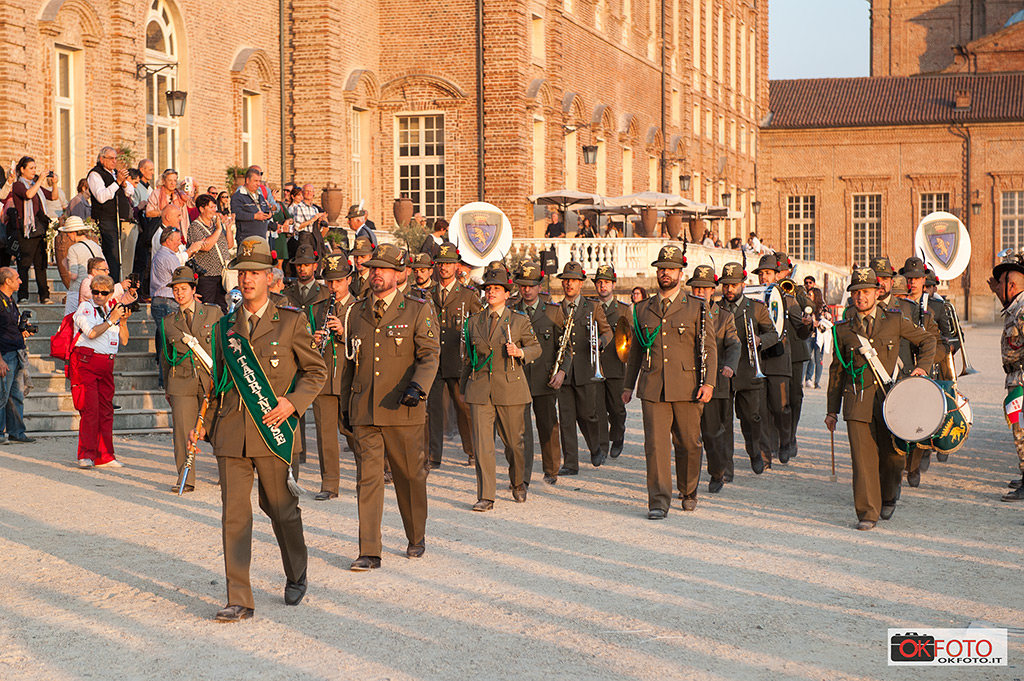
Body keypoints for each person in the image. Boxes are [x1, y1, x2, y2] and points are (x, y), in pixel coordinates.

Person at [189, 235, 325, 621]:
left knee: (280, 509)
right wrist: (203, 424)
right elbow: (216, 383)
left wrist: (292, 403)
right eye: (242, 272)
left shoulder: (291, 322)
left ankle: (296, 572)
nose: (247, 279)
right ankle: (239, 598)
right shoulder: (224, 327)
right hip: (232, 431)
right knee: (234, 514)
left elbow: (316, 371)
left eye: (255, 272)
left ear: (270, 277)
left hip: (274, 431)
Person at [339, 243, 439, 570]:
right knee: (368, 481)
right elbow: (350, 363)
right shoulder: (355, 311)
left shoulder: (418, 309)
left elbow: (429, 355)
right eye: (372, 268)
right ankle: (370, 550)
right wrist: (345, 404)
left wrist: (417, 387)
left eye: (383, 269)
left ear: (401, 274)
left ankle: (415, 535)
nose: (376, 274)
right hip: (365, 409)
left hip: (403, 409)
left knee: (410, 478)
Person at [825, 267, 936, 530]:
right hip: (856, 403)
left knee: (892, 457)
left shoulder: (894, 320)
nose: (860, 297)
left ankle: (888, 496)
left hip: (890, 402)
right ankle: (867, 513)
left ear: (877, 292)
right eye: (856, 293)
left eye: (865, 292)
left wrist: (922, 367)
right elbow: (836, 371)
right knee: (862, 461)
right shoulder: (843, 331)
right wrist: (832, 411)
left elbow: (928, 341)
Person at [622, 245, 717, 517]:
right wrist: (629, 385)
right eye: (661, 268)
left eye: (671, 269)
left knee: (688, 443)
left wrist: (708, 383)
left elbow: (709, 347)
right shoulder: (643, 309)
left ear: (680, 273)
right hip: (653, 386)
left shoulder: (697, 307)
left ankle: (688, 489)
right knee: (655, 446)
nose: (665, 273)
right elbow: (637, 350)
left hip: (688, 386)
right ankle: (658, 501)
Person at [461, 265, 541, 510]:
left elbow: (536, 348)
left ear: (507, 294)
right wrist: (464, 386)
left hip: (510, 388)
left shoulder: (518, 320)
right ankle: (486, 495)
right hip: (480, 388)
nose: (492, 292)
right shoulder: (473, 322)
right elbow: (468, 357)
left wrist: (519, 352)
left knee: (514, 443)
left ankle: (518, 482)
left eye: (497, 289)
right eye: (488, 289)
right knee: (483, 445)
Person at [159, 265, 223, 492]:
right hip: (181, 382)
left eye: (183, 288)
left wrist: (224, 378)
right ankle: (186, 477)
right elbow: (165, 357)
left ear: (193, 289)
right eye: (175, 289)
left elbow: (222, 347)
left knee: (218, 427)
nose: (179, 293)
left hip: (211, 379)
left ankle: (226, 472)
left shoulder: (214, 314)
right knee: (182, 431)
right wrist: (167, 386)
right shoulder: (168, 322)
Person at [508, 261, 568, 485]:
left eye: (531, 285)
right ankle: (521, 477)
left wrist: (562, 371)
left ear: (539, 286)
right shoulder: (511, 311)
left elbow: (566, 346)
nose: (527, 289)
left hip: (545, 379)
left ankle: (551, 469)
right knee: (519, 430)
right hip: (518, 379)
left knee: (548, 425)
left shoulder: (553, 312)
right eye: (523, 285)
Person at [718, 261, 777, 479]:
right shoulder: (716, 309)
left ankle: (755, 452)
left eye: (733, 284)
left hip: (749, 370)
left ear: (743, 284)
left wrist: (760, 339)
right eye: (725, 285)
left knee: (751, 418)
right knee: (724, 423)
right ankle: (725, 469)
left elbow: (774, 334)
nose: (729, 289)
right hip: (724, 373)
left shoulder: (757, 308)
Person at [552, 261, 612, 475]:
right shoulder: (555, 308)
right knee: (567, 418)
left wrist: (601, 342)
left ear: (580, 284)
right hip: (565, 373)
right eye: (566, 280)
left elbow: (607, 331)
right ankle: (570, 463)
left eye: (574, 280)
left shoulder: (592, 307)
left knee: (588, 415)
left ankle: (595, 446)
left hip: (587, 369)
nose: (569, 284)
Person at [426, 242, 481, 469]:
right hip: (433, 359)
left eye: (448, 263)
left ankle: (471, 450)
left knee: (464, 408)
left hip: (458, 360)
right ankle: (433, 455)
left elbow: (478, 325)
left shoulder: (468, 295)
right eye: (440, 264)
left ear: (456, 266)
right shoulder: (427, 294)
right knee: (434, 409)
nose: (444, 268)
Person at [688, 264, 740, 494]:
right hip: (686, 382)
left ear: (713, 290)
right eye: (696, 288)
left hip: (714, 383)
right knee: (687, 435)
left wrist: (729, 365)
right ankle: (688, 481)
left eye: (705, 288)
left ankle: (717, 471)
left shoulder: (724, 317)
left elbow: (734, 344)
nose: (700, 292)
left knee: (712, 433)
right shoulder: (681, 311)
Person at [309, 254, 357, 500]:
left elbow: (368, 345)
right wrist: (314, 341)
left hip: (350, 380)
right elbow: (305, 344)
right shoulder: (317, 309)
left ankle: (366, 478)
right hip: (324, 378)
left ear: (348, 279)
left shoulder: (360, 307)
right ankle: (329, 484)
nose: (334, 287)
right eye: (329, 282)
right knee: (325, 434)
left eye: (338, 281)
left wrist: (344, 332)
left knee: (354, 432)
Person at [72, 274, 132, 467]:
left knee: (106, 411)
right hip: (87, 362)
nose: (98, 295)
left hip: (107, 363)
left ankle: (105, 455)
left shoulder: (110, 309)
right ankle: (86, 454)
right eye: (95, 291)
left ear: (110, 294)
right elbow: (91, 333)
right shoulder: (86, 307)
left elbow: (124, 340)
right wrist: (112, 319)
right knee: (90, 410)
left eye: (103, 292)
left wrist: (120, 321)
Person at [282, 243, 330, 473]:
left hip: (318, 357)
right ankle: (295, 456)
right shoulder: (285, 294)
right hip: (291, 358)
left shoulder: (325, 294)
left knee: (325, 420)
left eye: (307, 264)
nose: (302, 269)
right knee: (293, 408)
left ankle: (328, 474)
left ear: (315, 266)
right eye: (299, 265)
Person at [988, 251, 1024, 501]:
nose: (997, 287)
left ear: (1011, 286)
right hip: (1016, 378)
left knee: (1022, 431)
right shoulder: (1016, 306)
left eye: (1000, 283)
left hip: (1022, 380)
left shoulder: (1022, 310)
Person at [592, 264, 627, 459]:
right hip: (595, 365)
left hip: (615, 364)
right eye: (599, 282)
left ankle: (618, 435)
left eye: (606, 282)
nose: (602, 286)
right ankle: (602, 448)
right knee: (598, 408)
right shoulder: (590, 307)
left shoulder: (623, 309)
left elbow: (630, 339)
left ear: (613, 285)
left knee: (616, 408)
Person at [10, 157, 55, 304]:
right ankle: (23, 296)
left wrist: (54, 184)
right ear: (22, 169)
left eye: (35, 168)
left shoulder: (36, 185)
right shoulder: (18, 185)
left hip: (39, 229)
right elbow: (28, 195)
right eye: (31, 168)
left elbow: (53, 197)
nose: (34, 171)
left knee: (41, 264)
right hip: (26, 230)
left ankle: (44, 296)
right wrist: (40, 180)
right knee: (24, 264)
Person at [88, 147, 134, 280]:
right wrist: (117, 182)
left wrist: (123, 183)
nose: (114, 161)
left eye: (116, 158)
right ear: (102, 159)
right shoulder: (95, 174)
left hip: (120, 219)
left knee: (123, 255)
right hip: (106, 219)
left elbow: (130, 191)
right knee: (113, 254)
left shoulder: (115, 173)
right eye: (111, 158)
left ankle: (122, 284)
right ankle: (112, 284)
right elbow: (101, 196)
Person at [0, 268, 35, 444]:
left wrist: (22, 332)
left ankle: (17, 432)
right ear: (7, 281)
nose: (20, 281)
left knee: (16, 395)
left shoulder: (10, 300)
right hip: (5, 354)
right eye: (17, 278)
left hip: (16, 351)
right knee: (2, 395)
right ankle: (0, 433)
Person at [188, 194, 234, 311]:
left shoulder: (215, 224)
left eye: (215, 207)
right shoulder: (195, 227)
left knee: (222, 309)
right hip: (207, 277)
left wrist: (227, 228)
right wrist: (218, 230)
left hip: (221, 275)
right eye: (212, 207)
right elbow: (206, 246)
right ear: (202, 209)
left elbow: (229, 245)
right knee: (207, 308)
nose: (215, 210)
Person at [61, 217, 103, 315]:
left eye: (68, 233)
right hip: (94, 290)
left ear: (73, 232)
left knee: (70, 323)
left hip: (77, 291)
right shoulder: (95, 245)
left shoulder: (73, 249)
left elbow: (73, 275)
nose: (67, 236)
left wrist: (65, 265)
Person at [231, 168, 274, 241]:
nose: (258, 184)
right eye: (256, 181)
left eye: (259, 181)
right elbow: (236, 214)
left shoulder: (260, 196)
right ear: (247, 180)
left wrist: (269, 214)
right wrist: (254, 216)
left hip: (262, 237)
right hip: (246, 239)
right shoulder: (238, 196)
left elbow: (267, 209)